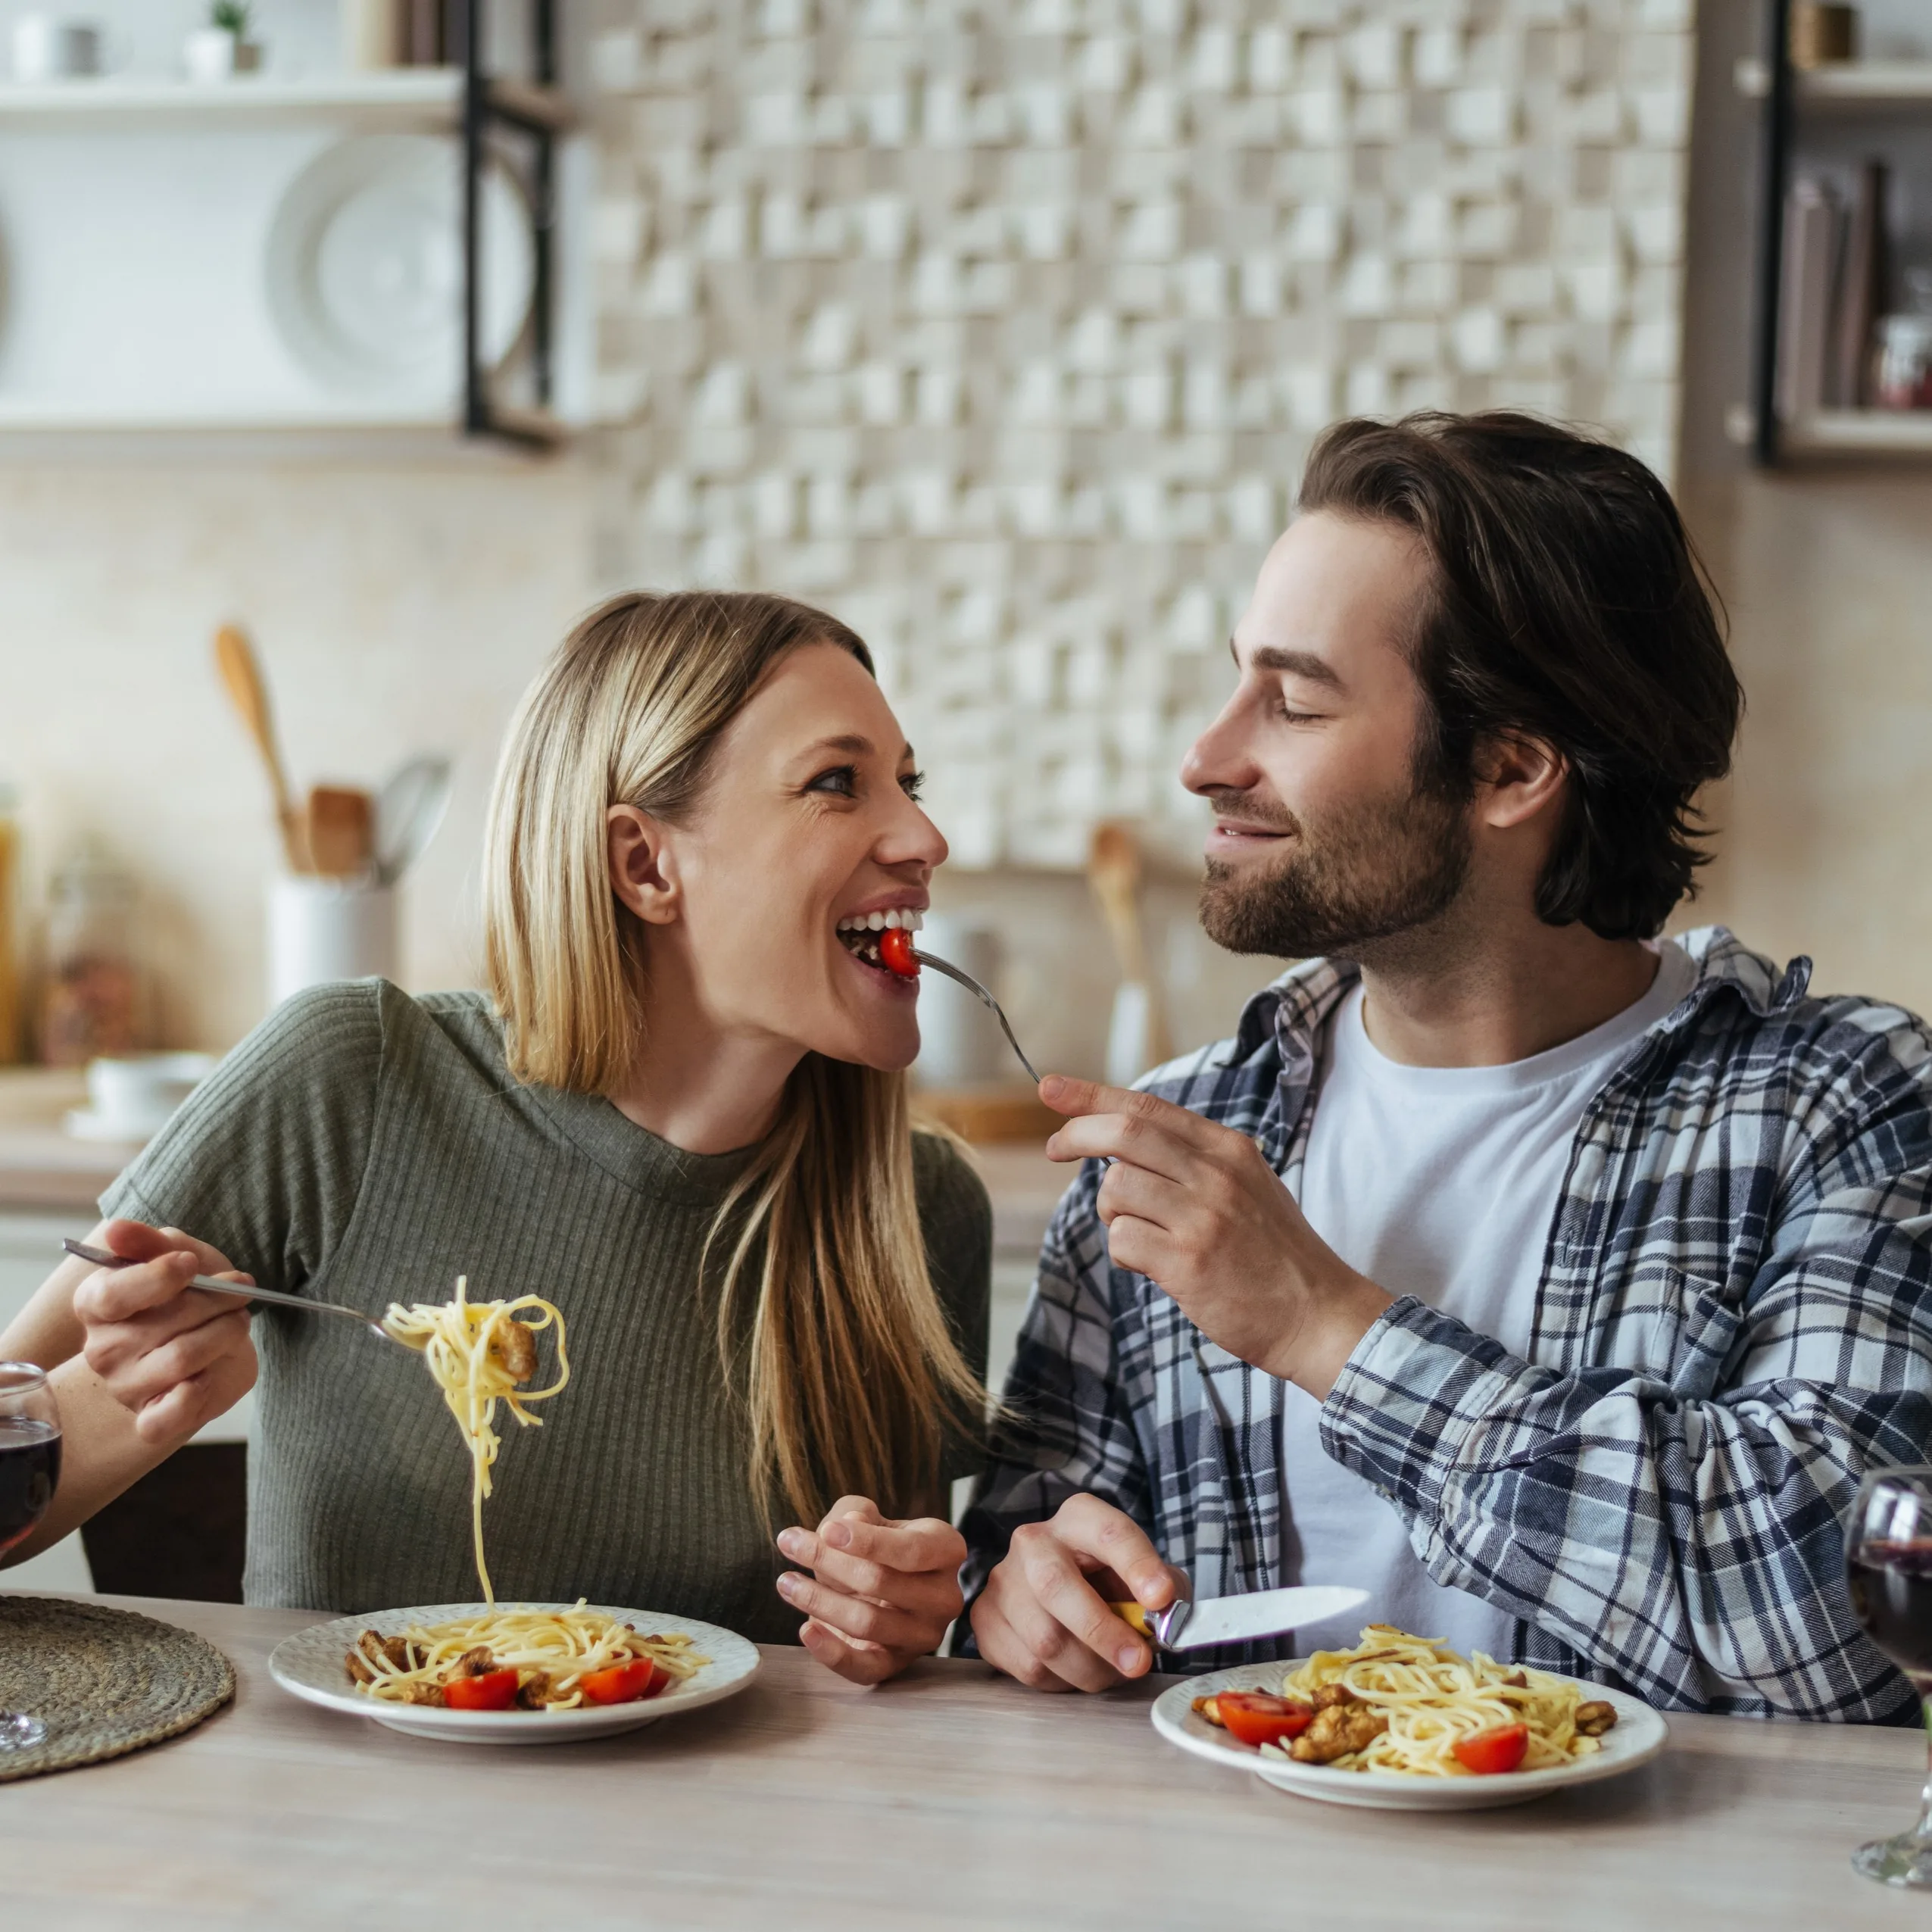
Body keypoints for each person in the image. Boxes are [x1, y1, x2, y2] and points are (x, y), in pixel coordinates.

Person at [962, 411, 1932, 1721]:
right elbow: (1030, 1555)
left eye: (1293, 701)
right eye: (1238, 681)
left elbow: (1840, 1632)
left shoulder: (1842, 1103)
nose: (1206, 759)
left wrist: (1324, 1327)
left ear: (1511, 767)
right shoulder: (1186, 1131)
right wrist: (1021, 1595)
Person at [2, 591, 989, 1687]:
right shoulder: (352, 1077)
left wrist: (893, 1615)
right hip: (335, 1831)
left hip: (721, 1844)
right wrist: (121, 1401)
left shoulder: (918, 1202)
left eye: (910, 783)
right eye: (837, 783)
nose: (923, 836)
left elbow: (888, 1655)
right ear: (644, 864)